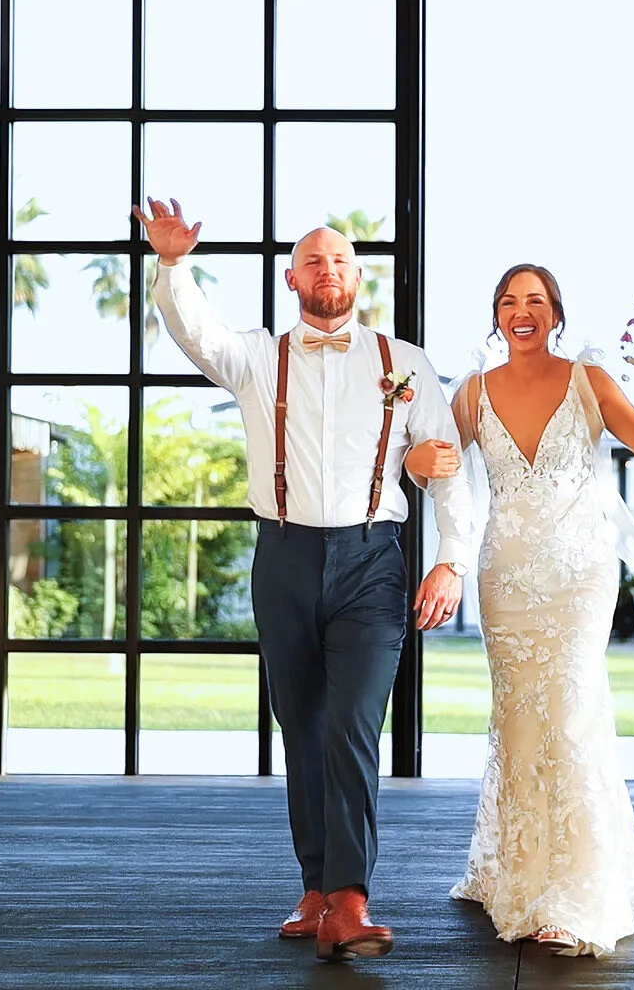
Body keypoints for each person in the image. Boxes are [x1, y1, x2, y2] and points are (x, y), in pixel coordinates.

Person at [135, 198, 474, 963]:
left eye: (343, 260)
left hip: (372, 562)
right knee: (303, 724)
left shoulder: (405, 363)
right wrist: (171, 264)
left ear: (360, 278)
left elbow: (446, 466)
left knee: (353, 725)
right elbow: (193, 331)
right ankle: (316, 889)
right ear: (292, 278)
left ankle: (350, 900)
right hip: (283, 557)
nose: (331, 270)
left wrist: (450, 557)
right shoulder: (258, 357)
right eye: (315, 260)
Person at [406, 263, 634, 957]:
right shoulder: (472, 391)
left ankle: (574, 892)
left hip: (580, 575)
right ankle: (518, 870)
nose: (521, 311)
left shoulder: (589, 380)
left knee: (569, 709)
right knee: (519, 717)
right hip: (505, 576)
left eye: (535, 300)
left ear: (555, 313)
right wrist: (417, 461)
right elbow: (432, 468)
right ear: (497, 317)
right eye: (509, 301)